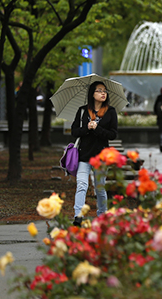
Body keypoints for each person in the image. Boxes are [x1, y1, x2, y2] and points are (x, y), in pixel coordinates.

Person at [71, 81, 118, 227]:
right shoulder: (82, 111)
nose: (103, 93)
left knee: (100, 188)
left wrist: (97, 129)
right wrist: (87, 127)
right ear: (92, 93)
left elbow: (113, 134)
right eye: (99, 90)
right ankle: (78, 216)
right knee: (82, 185)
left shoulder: (110, 112)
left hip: (101, 157)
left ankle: (102, 215)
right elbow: (74, 131)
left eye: (104, 91)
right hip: (84, 156)